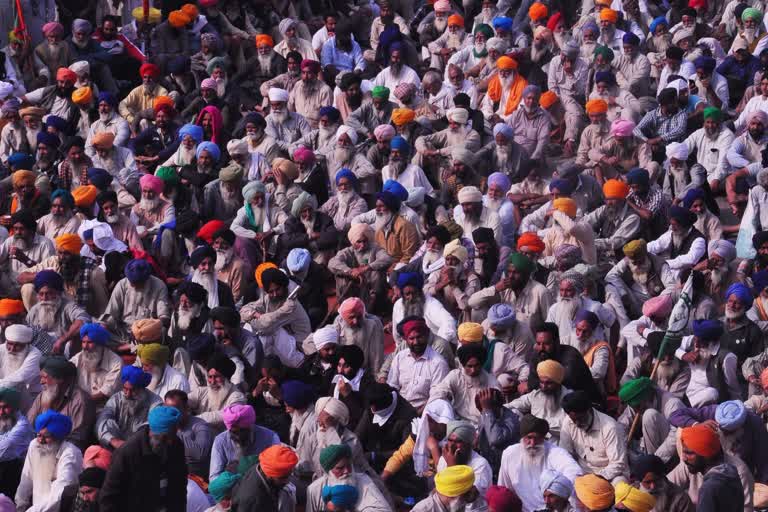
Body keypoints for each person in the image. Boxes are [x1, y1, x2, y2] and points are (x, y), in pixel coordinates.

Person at [100, 406, 188, 512]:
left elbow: (180, 488)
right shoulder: (128, 453)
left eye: (172, 437)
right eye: (164, 438)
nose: (169, 442)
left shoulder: (176, 445)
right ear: (152, 433)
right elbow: (109, 496)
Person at [497, 415, 582, 512]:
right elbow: (503, 490)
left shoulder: (555, 453)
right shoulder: (510, 454)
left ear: (543, 438)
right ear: (522, 436)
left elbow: (574, 473)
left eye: (537, 438)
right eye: (529, 437)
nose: (533, 443)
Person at [15, 411, 82, 512]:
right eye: (39, 435)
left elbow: (60, 495)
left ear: (58, 437)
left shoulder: (71, 453)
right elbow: (26, 479)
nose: (41, 440)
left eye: (46, 436)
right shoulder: (35, 445)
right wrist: (20, 506)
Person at [95, 366, 161, 450]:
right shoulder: (116, 398)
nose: (128, 394)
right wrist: (114, 441)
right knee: (107, 423)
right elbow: (102, 420)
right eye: (125, 389)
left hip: (140, 449)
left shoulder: (155, 402)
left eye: (133, 390)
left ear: (142, 389)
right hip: (117, 448)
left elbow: (151, 428)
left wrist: (130, 446)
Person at [209, 404, 279, 480]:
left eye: (243, 431)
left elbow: (277, 472)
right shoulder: (220, 441)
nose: (238, 436)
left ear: (251, 426)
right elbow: (214, 478)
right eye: (234, 432)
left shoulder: (270, 438)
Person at [230, 444, 299, 511]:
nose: (287, 481)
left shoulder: (262, 467)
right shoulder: (254, 501)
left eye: (290, 474)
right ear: (270, 474)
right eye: (283, 477)